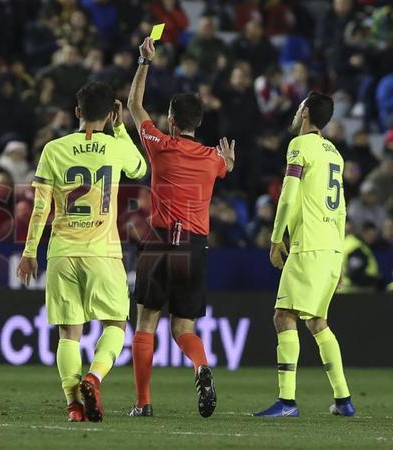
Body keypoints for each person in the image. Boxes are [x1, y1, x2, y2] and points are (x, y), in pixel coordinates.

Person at [16, 81, 147, 423]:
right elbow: (140, 169)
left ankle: (74, 406)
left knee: (68, 333)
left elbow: (40, 207)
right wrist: (119, 129)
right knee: (117, 323)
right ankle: (94, 377)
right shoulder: (115, 146)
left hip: (61, 252)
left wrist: (30, 251)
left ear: (76, 112)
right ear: (110, 114)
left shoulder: (53, 149)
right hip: (103, 252)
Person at [126, 37, 235, 419]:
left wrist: (144, 62)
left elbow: (134, 106)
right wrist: (228, 162)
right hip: (193, 246)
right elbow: (226, 167)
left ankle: (143, 403)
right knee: (183, 327)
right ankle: (200, 366)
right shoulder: (211, 159)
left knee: (146, 323)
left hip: (158, 243)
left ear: (172, 120)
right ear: (199, 122)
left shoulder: (159, 144)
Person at [255, 92, 355, 417]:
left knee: (283, 316)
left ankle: (287, 402)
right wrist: (338, 258)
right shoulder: (335, 154)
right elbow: (341, 210)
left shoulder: (300, 146)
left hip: (307, 244)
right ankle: (343, 399)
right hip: (331, 247)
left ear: (307, 112)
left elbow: (287, 195)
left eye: (299, 106)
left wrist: (275, 238)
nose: (296, 111)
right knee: (318, 322)